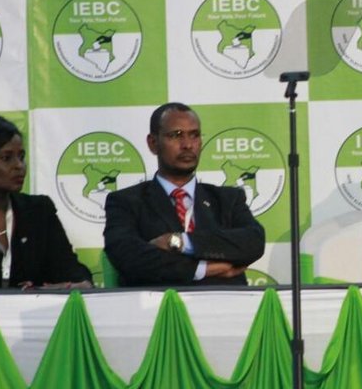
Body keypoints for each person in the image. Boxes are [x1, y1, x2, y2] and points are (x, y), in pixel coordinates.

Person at [103, 102, 265, 286]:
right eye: (176, 135)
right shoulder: (125, 202)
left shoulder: (228, 198)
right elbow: (128, 256)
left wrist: (180, 241)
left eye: (194, 135)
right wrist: (202, 269)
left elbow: (253, 242)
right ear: (153, 143)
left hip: (225, 308)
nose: (187, 145)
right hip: (158, 309)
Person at [0, 116, 93, 290]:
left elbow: (72, 271)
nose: (19, 166)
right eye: (7, 158)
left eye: (21, 157)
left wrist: (67, 286)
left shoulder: (39, 211)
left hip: (31, 315)